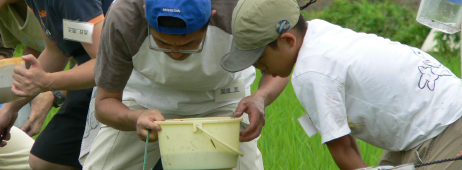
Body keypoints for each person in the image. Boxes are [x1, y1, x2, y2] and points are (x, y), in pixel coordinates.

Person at [220, 0, 462, 169]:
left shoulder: (311, 72)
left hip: (443, 126)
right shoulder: (319, 34)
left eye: (260, 58)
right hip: (428, 118)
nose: (258, 68)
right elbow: (346, 142)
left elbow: (343, 151)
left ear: (287, 40)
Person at [84, 0, 289, 169]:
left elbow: (281, 65)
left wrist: (260, 97)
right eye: (162, 44)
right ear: (145, 15)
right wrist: (134, 118)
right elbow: (105, 102)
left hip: (223, 100)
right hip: (144, 101)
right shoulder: (124, 15)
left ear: (211, 17)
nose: (175, 54)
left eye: (189, 45)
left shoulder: (240, 9)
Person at [0, 0, 110, 169]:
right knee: (44, 161)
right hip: (96, 71)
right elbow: (55, 50)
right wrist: (9, 109)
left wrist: (48, 83)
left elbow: (105, 62)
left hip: (130, 76)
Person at [0, 0, 57, 137]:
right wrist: (11, 105)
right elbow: (36, 44)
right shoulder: (5, 9)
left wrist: (53, 93)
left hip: (104, 83)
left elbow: (96, 57)